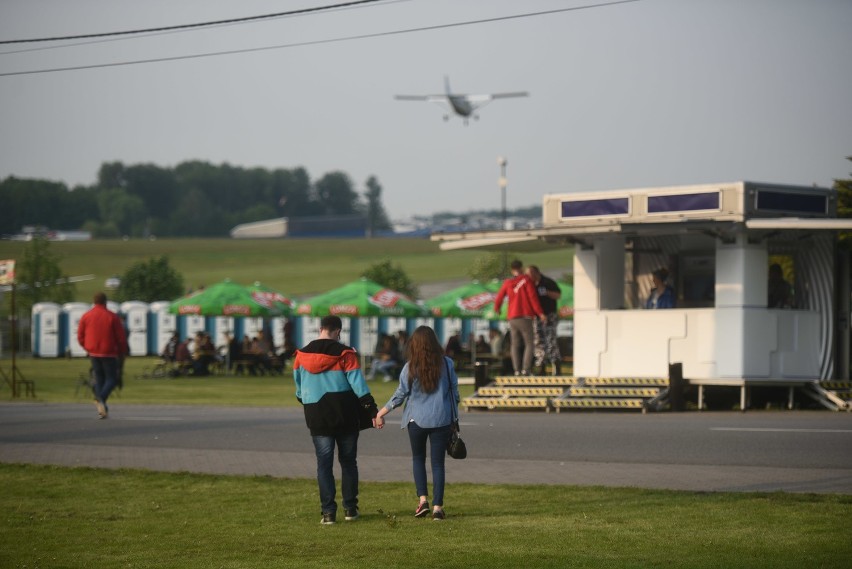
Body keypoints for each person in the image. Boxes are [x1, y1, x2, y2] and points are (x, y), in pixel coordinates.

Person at [293, 315, 378, 525]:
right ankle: (350, 509)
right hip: (345, 413)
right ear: (338, 331)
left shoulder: (301, 355)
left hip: (317, 413)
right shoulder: (346, 354)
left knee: (324, 464)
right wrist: (372, 409)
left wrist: (311, 401)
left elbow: (299, 391)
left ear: (320, 328)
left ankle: (328, 513)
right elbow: (358, 385)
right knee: (348, 462)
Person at [374, 326, 460, 521]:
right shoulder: (447, 364)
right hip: (442, 419)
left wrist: (381, 412)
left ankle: (423, 501)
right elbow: (454, 393)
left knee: (418, 459)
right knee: (438, 464)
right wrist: (455, 420)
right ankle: (438, 507)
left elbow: (400, 395)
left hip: (416, 421)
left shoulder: (410, 367)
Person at [77, 292, 128, 419]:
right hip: (109, 351)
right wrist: (122, 351)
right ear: (105, 302)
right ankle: (100, 398)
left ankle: (103, 408)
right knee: (112, 378)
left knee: (100, 378)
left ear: (94, 302)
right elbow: (120, 337)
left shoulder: (86, 316)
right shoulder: (112, 317)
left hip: (93, 351)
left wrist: (87, 347)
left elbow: (80, 335)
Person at [493, 259, 545, 375]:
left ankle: (516, 369)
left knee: (515, 344)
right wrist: (540, 313)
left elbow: (499, 296)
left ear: (512, 270)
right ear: (521, 268)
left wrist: (497, 308)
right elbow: (533, 298)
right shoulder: (526, 280)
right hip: (524, 316)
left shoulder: (507, 282)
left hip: (512, 317)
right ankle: (526, 369)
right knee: (529, 343)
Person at [526, 265, 563, 376]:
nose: (529, 276)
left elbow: (558, 295)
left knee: (550, 341)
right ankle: (541, 366)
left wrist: (547, 292)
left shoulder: (547, 282)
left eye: (530, 274)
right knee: (538, 341)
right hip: (537, 317)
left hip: (550, 315)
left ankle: (556, 365)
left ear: (535, 273)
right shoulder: (530, 285)